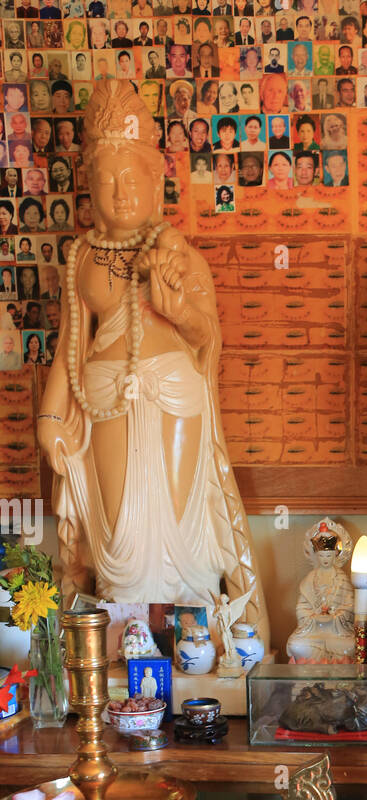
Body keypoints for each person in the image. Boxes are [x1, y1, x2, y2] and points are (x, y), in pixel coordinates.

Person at [37, 80, 270, 639]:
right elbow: (69, 345)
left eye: (131, 179)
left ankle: (192, 637)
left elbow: (207, 337)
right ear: (88, 187)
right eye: (105, 181)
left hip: (172, 393)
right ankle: (125, 642)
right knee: (120, 536)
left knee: (177, 524)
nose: (120, 193)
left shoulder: (178, 254)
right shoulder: (81, 259)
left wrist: (178, 311)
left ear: (155, 180)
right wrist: (48, 419)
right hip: (104, 399)